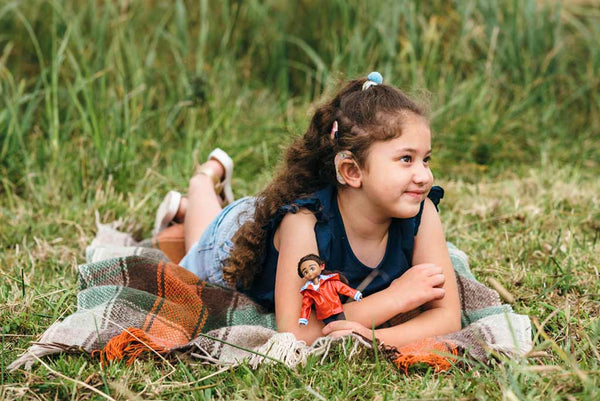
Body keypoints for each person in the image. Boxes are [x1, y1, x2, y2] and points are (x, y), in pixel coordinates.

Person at [154, 72, 461, 347]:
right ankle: (202, 182)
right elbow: (297, 333)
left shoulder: (422, 212)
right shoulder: (303, 223)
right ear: (352, 171)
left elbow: (448, 319)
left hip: (281, 233)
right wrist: (395, 297)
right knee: (196, 251)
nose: (424, 176)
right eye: (406, 159)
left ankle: (185, 206)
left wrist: (371, 337)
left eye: (426, 159)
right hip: (233, 238)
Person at [297, 254, 362, 326]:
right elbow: (306, 306)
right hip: (324, 315)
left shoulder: (330, 282)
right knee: (331, 329)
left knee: (342, 325)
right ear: (304, 277)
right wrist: (304, 318)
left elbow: (343, 288)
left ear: (321, 266)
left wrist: (355, 294)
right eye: (305, 272)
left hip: (337, 309)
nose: (310, 273)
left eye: (312, 268)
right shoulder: (308, 291)